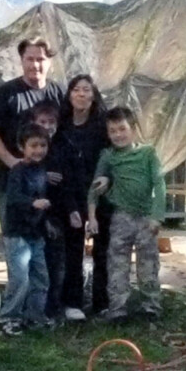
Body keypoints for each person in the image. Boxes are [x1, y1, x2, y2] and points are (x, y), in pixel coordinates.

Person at [87, 106, 166, 322]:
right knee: (117, 264)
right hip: (120, 217)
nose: (118, 135)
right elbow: (94, 187)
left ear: (133, 129)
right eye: (112, 131)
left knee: (148, 263)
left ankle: (151, 306)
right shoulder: (108, 156)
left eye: (122, 129)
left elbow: (159, 184)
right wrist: (92, 217)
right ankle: (118, 309)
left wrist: (157, 216)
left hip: (145, 217)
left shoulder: (148, 153)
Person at [0, 37, 63, 227]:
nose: (35, 65)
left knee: (49, 247)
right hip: (13, 183)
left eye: (41, 59)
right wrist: (13, 162)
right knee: (17, 244)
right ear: (21, 60)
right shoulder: (5, 93)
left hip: (48, 184)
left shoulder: (59, 93)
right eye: (30, 59)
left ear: (50, 61)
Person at [58, 75, 112, 320]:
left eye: (86, 90)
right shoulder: (61, 125)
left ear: (93, 95)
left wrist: (108, 179)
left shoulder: (102, 126)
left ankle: (102, 302)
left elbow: (114, 156)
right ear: (69, 95)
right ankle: (73, 302)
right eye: (76, 89)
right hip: (70, 194)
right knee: (73, 249)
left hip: (100, 195)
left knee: (103, 248)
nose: (81, 94)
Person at [0, 123, 53, 335]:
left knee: (41, 276)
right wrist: (32, 203)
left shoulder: (41, 171)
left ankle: (35, 315)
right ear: (22, 147)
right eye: (33, 145)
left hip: (36, 233)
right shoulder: (17, 171)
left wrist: (45, 221)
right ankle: (9, 317)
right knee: (20, 278)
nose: (38, 150)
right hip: (17, 234)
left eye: (42, 145)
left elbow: (43, 200)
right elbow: (12, 199)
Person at [27, 101, 76, 320]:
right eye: (42, 122)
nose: (47, 126)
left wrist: (73, 209)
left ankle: (53, 307)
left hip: (57, 216)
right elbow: (24, 185)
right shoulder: (29, 152)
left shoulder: (61, 149)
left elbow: (67, 184)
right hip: (34, 218)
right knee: (34, 265)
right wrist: (42, 176)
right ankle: (33, 309)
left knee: (57, 264)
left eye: (51, 122)